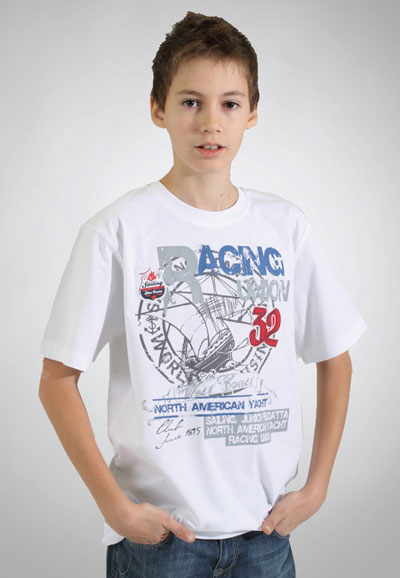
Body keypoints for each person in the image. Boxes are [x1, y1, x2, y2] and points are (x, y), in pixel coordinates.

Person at [38, 11, 367, 578]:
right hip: (161, 541)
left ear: (253, 112)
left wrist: (316, 488)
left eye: (230, 104)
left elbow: (335, 357)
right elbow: (56, 380)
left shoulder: (285, 227)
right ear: (158, 109)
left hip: (265, 534)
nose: (210, 123)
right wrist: (116, 508)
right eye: (191, 102)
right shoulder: (118, 231)